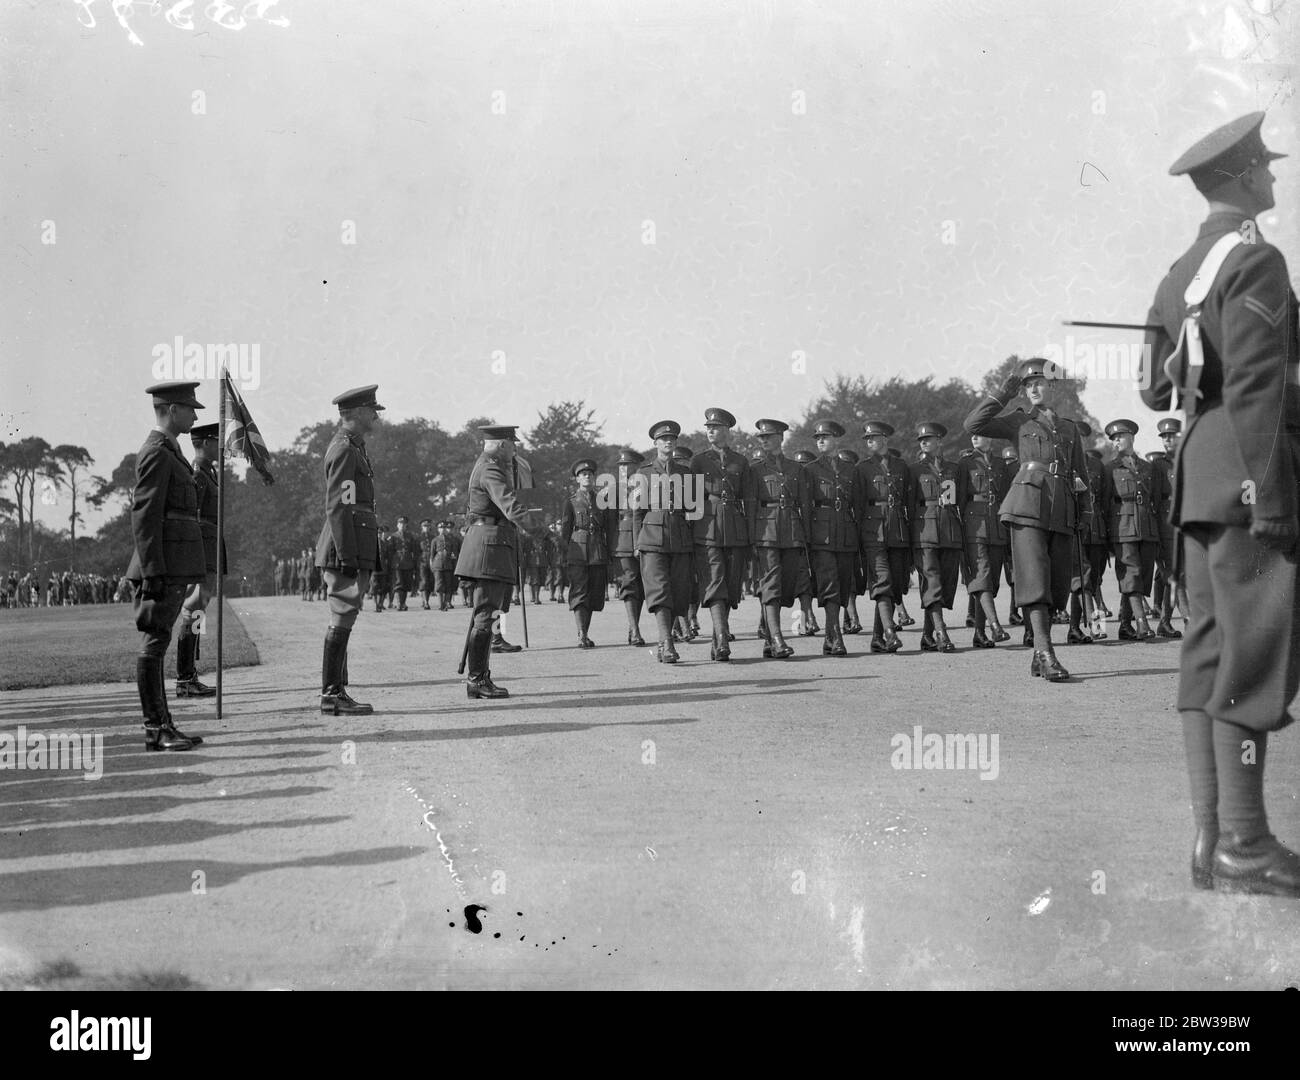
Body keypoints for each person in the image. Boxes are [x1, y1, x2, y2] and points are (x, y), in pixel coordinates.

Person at [1140, 111, 1300, 895]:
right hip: (1246, 467)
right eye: (1264, 168)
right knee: (1255, 652)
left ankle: (1210, 841)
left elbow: (1151, 385)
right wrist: (1271, 493)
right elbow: (1258, 384)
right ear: (1240, 180)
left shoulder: (1181, 271)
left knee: (1208, 652)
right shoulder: (1256, 258)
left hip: (1196, 470)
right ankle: (1246, 840)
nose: (1273, 175)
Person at [966, 357, 1089, 681]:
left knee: (1058, 584)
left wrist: (1082, 514)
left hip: (1060, 509)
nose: (1034, 388)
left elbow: (1080, 475)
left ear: (1052, 387)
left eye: (1040, 383)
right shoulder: (1017, 422)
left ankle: (1038, 654)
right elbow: (973, 425)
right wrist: (1005, 392)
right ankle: (1046, 652)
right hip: (1026, 505)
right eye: (1028, 384)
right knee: (1034, 578)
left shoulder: (1069, 428)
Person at [124, 381, 209, 751]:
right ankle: (155, 728)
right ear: (172, 409)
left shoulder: (169, 451)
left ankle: (163, 725)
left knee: (158, 641)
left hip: (171, 563)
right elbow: (145, 516)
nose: (194, 414)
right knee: (155, 641)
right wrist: (154, 569)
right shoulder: (157, 453)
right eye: (190, 408)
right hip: (161, 566)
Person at [315, 385, 385, 715]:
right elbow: (339, 506)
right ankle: (331, 694)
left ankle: (336, 689)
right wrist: (346, 554)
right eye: (371, 410)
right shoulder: (344, 450)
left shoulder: (354, 447)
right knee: (342, 612)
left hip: (355, 541)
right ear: (354, 414)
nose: (376, 415)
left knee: (347, 613)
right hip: (346, 544)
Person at [454, 425, 533, 697]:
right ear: (501, 445)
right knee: (486, 614)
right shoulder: (491, 468)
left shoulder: (488, 465)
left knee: (486, 612)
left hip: (490, 542)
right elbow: (509, 504)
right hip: (489, 545)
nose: (515, 449)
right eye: (512, 445)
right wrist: (538, 529)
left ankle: (479, 677)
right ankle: (477, 680)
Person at [746, 419, 812, 658]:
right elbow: (751, 506)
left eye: (769, 436)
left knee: (786, 584)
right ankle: (776, 638)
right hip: (767, 532)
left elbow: (805, 504)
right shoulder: (755, 470)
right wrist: (752, 538)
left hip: (792, 531)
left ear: (781, 438)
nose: (764, 440)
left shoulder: (796, 469)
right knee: (771, 583)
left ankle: (768, 638)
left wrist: (806, 536)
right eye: (761, 437)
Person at [690, 408, 751, 661]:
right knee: (715, 580)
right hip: (708, 527)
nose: (710, 431)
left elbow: (749, 499)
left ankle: (718, 641)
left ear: (727, 431)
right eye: (708, 427)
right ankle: (724, 637)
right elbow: (691, 501)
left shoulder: (740, 461)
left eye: (715, 427)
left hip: (735, 527)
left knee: (731, 583)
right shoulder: (698, 461)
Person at [634, 420, 695, 663]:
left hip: (679, 537)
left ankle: (664, 639)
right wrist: (636, 544)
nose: (668, 442)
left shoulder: (685, 473)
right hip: (651, 537)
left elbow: (693, 509)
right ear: (655, 443)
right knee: (659, 590)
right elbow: (638, 511)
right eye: (663, 439)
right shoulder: (644, 473)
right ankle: (668, 644)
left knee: (679, 591)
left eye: (672, 439)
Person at [174, 422, 226, 697]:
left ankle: (189, 674)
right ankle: (185, 677)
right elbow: (192, 515)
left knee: (200, 606)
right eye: (217, 440)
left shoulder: (209, 472)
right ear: (205, 443)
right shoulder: (199, 474)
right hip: (202, 544)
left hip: (210, 543)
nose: (221, 445)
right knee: (195, 606)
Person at [804, 420, 864, 656]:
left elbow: (857, 506)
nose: (820, 440)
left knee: (841, 584)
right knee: (829, 585)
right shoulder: (809, 469)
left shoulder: (851, 469)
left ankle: (830, 637)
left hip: (846, 534)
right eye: (818, 437)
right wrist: (809, 538)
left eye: (826, 437)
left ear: (836, 440)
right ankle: (836, 636)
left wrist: (856, 536)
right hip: (822, 535)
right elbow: (807, 508)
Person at [909, 422, 966, 652]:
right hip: (924, 532)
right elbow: (910, 505)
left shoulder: (953, 469)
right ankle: (941, 632)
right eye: (922, 439)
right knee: (931, 580)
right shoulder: (914, 470)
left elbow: (959, 500)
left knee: (945, 582)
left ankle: (927, 635)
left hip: (949, 530)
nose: (924, 442)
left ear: (939, 441)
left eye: (929, 438)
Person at [1102, 420, 1160, 640]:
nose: (1116, 441)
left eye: (1120, 436)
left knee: (1142, 575)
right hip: (1122, 527)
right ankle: (1142, 624)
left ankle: (1125, 625)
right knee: (1130, 573)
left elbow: (1153, 498)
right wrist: (1108, 534)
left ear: (1132, 438)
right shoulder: (1110, 469)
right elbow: (1105, 503)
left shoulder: (1147, 467)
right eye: (1113, 438)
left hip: (1146, 526)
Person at [854, 421, 907, 652]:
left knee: (894, 582)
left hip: (897, 530)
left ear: (885, 439)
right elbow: (857, 505)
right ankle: (889, 632)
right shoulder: (862, 468)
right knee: (882, 579)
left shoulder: (902, 466)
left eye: (873, 437)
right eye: (867, 439)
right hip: (873, 531)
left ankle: (877, 638)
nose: (869, 442)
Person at [959, 431, 1011, 647]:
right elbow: (960, 498)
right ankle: (995, 625)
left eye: (980, 434)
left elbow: (1007, 496)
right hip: (974, 524)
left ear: (990, 437)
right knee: (982, 574)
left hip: (996, 524)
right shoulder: (966, 463)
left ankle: (979, 634)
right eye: (972, 435)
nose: (974, 438)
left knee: (991, 581)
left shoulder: (1001, 464)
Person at [560, 458, 615, 647]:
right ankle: (581, 633)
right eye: (583, 475)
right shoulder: (571, 502)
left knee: (593, 593)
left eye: (590, 474)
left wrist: (610, 552)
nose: (587, 477)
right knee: (579, 592)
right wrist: (564, 554)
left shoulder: (602, 500)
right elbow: (565, 530)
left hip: (598, 551)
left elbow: (609, 528)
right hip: (577, 552)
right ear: (577, 479)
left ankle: (585, 632)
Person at [1155, 416, 1191, 630]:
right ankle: (1188, 617)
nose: (1167, 440)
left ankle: (1164, 622)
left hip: (1187, 523)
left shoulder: (1190, 460)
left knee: (1178, 573)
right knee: (1173, 573)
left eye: (1172, 436)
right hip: (1166, 525)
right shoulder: (1158, 465)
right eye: (1164, 437)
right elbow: (1154, 498)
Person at [1075, 423, 1109, 641]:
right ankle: (1095, 627)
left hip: (1096, 527)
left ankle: (1078, 628)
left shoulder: (1097, 465)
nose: (1080, 442)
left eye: (1083, 439)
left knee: (1095, 577)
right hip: (1076, 526)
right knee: (1081, 577)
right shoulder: (1066, 464)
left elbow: (1105, 498)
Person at [612, 448, 648, 646]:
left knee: (641, 586)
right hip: (623, 540)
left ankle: (633, 626)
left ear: (638, 467)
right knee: (630, 582)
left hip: (646, 536)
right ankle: (635, 630)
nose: (624, 468)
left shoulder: (646, 486)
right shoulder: (612, 490)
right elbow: (608, 520)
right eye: (621, 465)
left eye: (628, 465)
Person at [788, 449, 821, 636]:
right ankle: (765, 624)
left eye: (805, 465)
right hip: (791, 534)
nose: (803, 469)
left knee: (804, 577)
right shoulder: (792, 484)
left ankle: (806, 618)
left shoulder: (814, 484)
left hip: (808, 534)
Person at [835, 448, 868, 636]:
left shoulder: (856, 481)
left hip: (855, 534)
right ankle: (852, 617)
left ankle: (849, 620)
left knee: (853, 578)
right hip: (838, 534)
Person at [430, 520, 461, 610]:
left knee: (448, 585)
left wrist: (455, 564)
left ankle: (447, 602)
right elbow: (432, 555)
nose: (442, 529)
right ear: (438, 529)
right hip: (438, 564)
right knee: (439, 585)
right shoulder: (435, 540)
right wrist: (432, 566)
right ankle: (441, 604)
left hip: (448, 564)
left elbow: (454, 553)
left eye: (444, 528)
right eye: (440, 528)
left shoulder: (451, 540)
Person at [390, 516, 418, 610]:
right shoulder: (393, 536)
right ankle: (398, 603)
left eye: (404, 524)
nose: (402, 525)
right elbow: (390, 551)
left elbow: (414, 550)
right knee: (399, 583)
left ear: (406, 525)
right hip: (397, 563)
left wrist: (414, 562)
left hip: (408, 562)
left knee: (406, 584)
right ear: (397, 525)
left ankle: (403, 603)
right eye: (400, 524)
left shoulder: (410, 536)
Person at [417, 519, 436, 609]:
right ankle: (425, 602)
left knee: (430, 581)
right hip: (422, 561)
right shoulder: (418, 538)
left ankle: (426, 600)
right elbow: (415, 551)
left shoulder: (433, 537)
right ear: (421, 527)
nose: (426, 528)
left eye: (428, 526)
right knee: (424, 581)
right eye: (424, 526)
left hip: (432, 562)